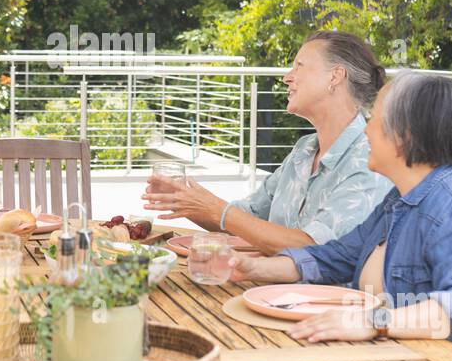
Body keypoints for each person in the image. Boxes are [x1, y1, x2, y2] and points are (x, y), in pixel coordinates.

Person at [228, 71, 452, 361]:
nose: (366, 128)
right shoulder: (400, 197)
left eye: (374, 118)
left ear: (404, 134)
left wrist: (372, 321)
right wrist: (252, 268)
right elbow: (338, 256)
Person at [143, 31, 392, 254]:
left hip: (328, 302)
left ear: (336, 76)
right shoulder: (304, 151)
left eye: (299, 66)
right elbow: (249, 219)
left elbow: (316, 249)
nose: (287, 77)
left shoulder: (369, 159)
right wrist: (188, 202)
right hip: (272, 290)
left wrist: (214, 208)